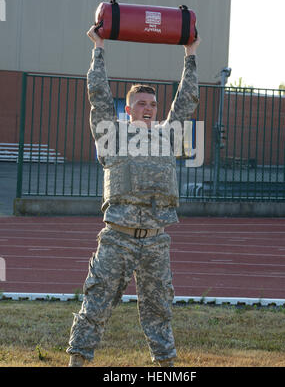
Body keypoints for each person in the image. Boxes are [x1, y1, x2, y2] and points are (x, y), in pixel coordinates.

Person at [67, 24, 201, 367]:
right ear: (128, 110)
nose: (149, 108)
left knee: (159, 309)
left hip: (156, 241)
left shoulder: (168, 137)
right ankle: (78, 360)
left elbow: (186, 102)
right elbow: (97, 96)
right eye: (141, 103)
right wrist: (98, 48)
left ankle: (166, 366)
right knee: (96, 302)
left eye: (153, 104)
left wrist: (191, 55)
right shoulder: (111, 136)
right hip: (117, 239)